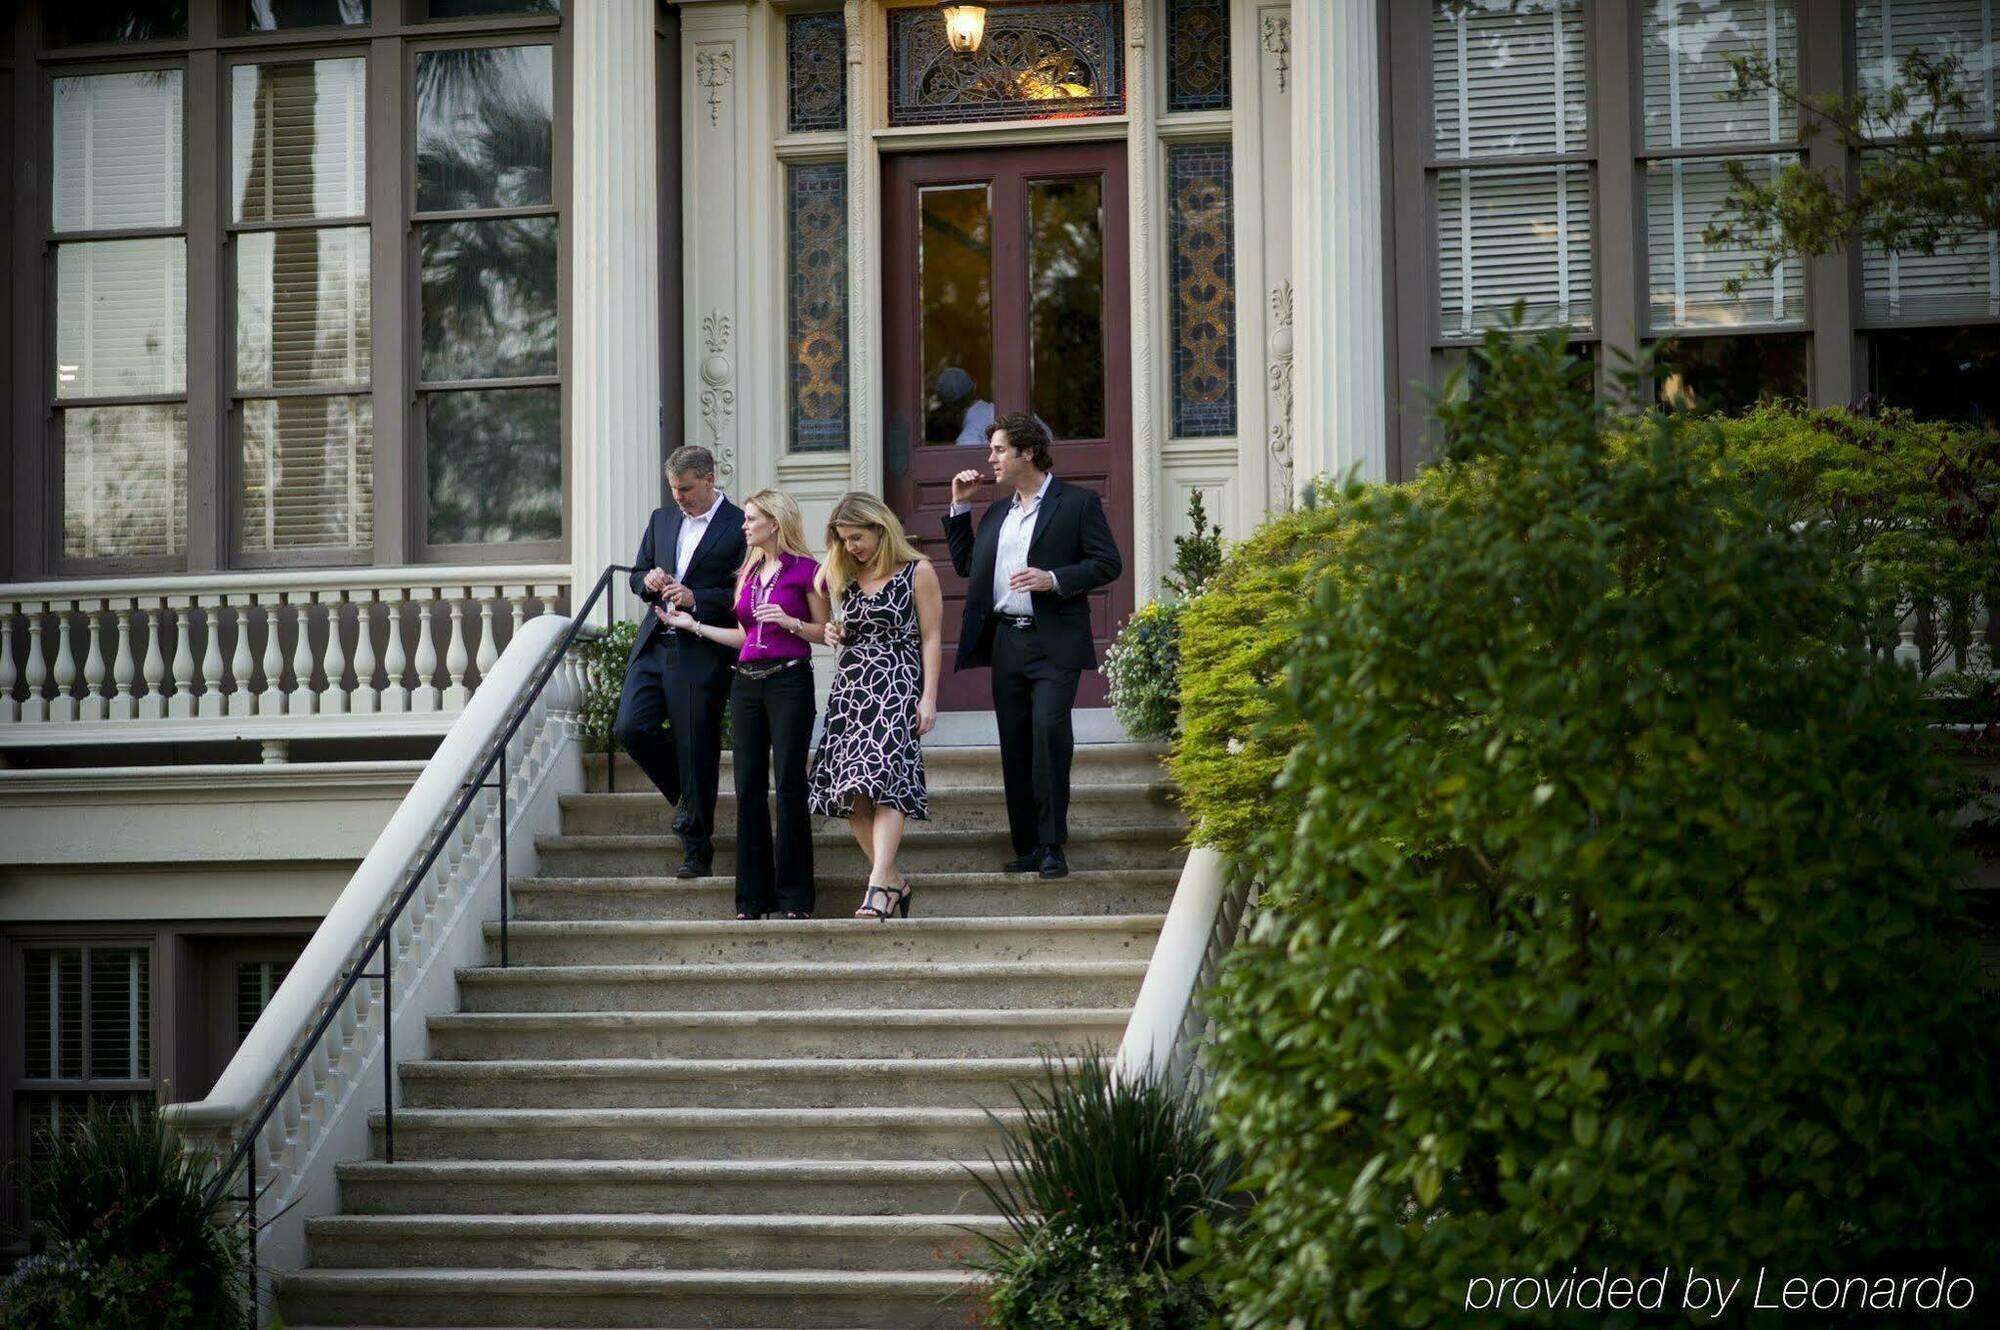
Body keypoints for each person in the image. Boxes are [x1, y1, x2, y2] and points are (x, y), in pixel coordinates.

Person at [945, 412, 1122, 880]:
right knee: (1016, 743)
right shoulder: (998, 513)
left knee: (1049, 736)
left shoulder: (1077, 503)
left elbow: (1107, 563)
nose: (991, 459)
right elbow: (966, 567)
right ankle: (1025, 845)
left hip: (1054, 642)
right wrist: (960, 508)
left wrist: (1054, 579)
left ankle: (1052, 845)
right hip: (1007, 641)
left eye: (999, 450)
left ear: (1027, 452)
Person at [661, 489, 831, 919]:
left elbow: (824, 630)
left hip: (789, 680)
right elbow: (742, 637)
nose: (744, 524)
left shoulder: (807, 571)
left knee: (789, 784)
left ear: (774, 522)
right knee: (748, 788)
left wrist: (790, 622)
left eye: (752, 518)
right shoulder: (748, 572)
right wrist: (693, 625)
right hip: (747, 684)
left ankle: (795, 897)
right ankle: (752, 898)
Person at [807, 492, 944, 919]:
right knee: (852, 793)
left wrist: (929, 698)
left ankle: (877, 889)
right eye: (844, 540)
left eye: (857, 537)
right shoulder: (845, 575)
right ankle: (894, 882)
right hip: (850, 689)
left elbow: (932, 638)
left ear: (880, 529)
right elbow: (837, 623)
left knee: (886, 782)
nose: (851, 546)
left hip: (896, 685)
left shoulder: (917, 572)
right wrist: (832, 631)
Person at [614, 445, 746, 880]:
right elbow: (637, 574)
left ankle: (697, 852)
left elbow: (747, 596)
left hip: (701, 647)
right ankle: (687, 801)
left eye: (686, 489)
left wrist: (697, 600)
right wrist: (647, 580)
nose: (679, 498)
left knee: (696, 749)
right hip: (655, 643)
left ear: (709, 480)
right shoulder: (662, 519)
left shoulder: (740, 525)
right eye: (674, 489)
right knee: (631, 728)